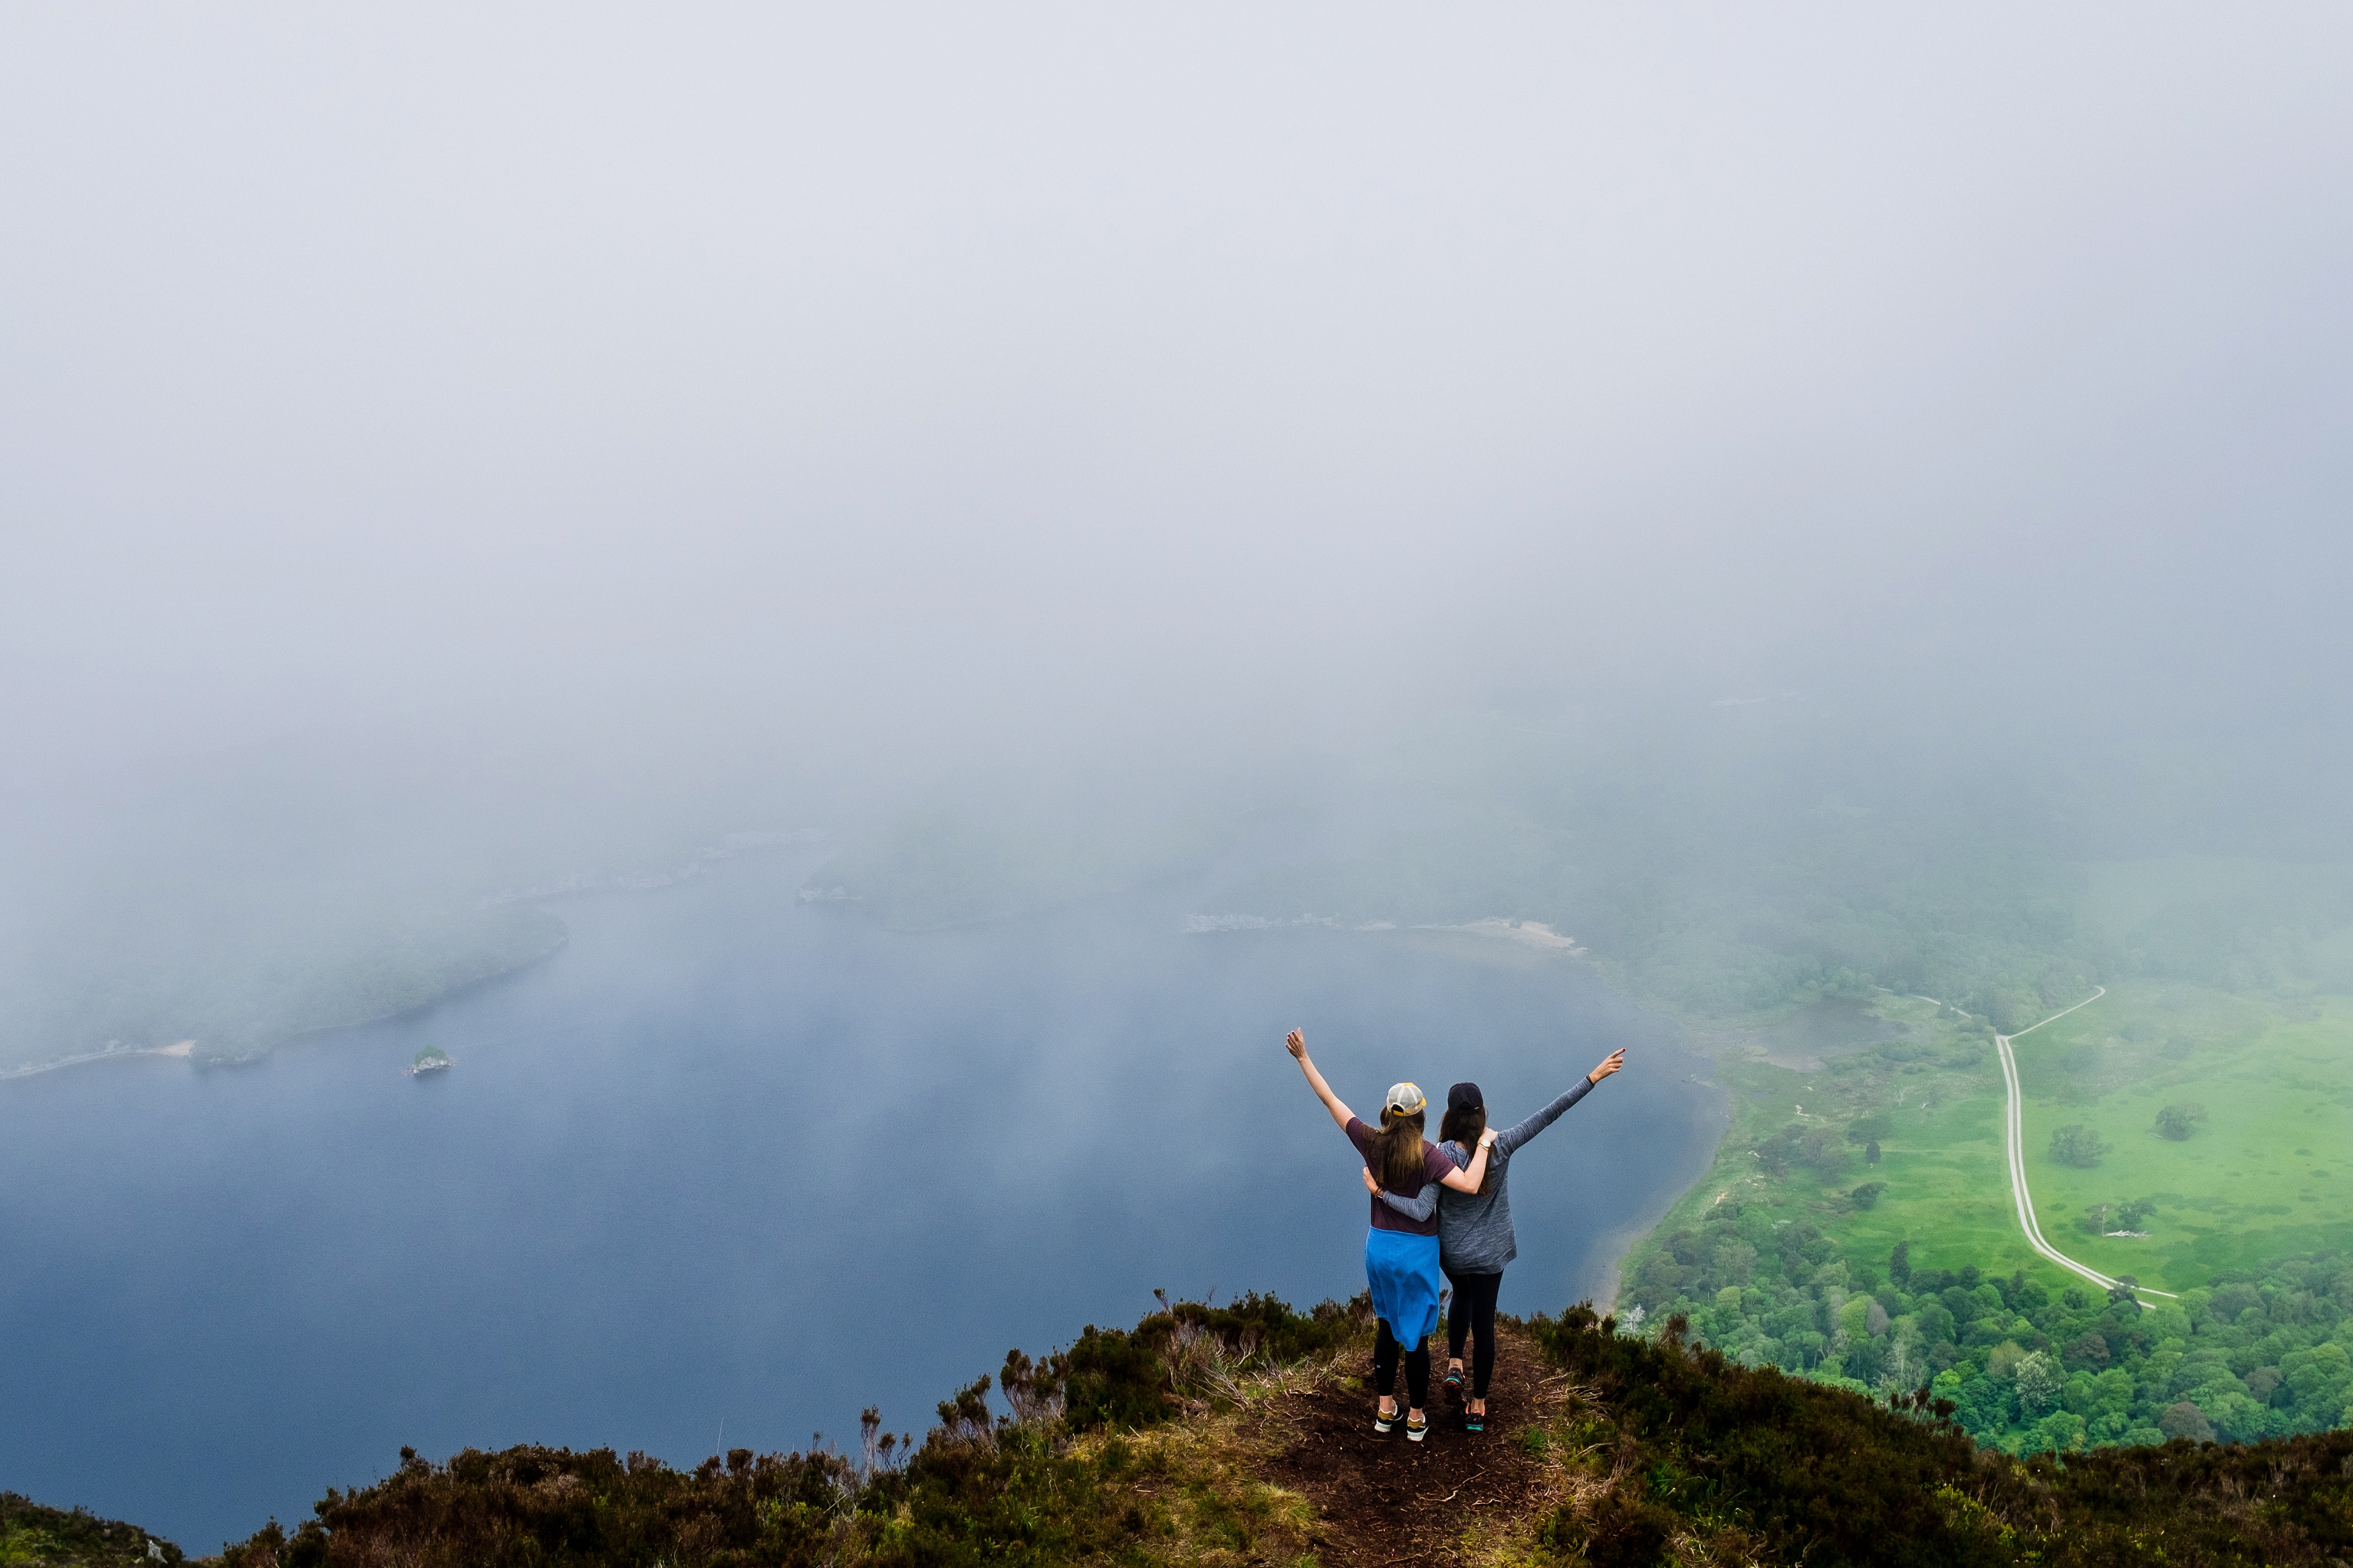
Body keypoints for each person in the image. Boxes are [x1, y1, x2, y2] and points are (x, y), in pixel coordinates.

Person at [1367, 1047, 1624, 1432]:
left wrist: (1381, 1192)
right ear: (1482, 1114)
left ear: (1449, 1117)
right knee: (1484, 1323)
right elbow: (1551, 1112)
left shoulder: (1439, 1156)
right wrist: (1594, 1076)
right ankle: (1478, 1407)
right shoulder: (1501, 1144)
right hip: (1491, 1255)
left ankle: (1454, 1365)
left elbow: (1422, 1206)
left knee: (1461, 1296)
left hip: (1452, 1255)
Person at [1284, 1028, 1493, 1442]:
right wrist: (1484, 1145)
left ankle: (1385, 1410)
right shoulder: (1429, 1155)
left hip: (1378, 1246)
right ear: (1420, 1117)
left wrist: (1304, 1057)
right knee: (1414, 1337)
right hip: (1417, 1253)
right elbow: (1470, 1185)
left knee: (1385, 1325)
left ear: (1388, 1113)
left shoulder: (1371, 1143)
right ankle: (1416, 1417)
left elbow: (1330, 1100)